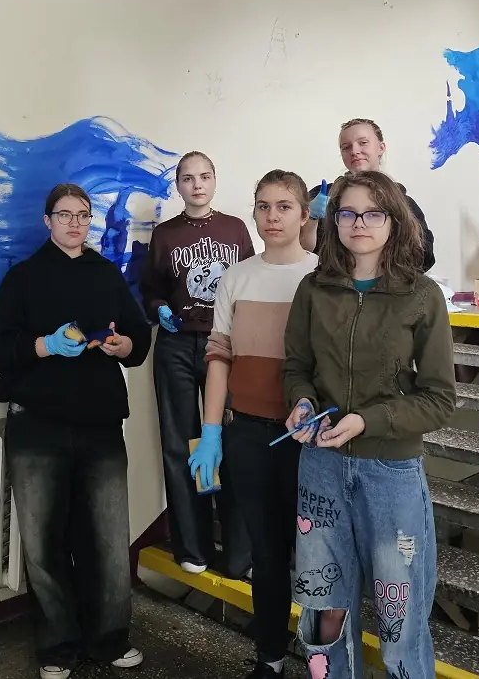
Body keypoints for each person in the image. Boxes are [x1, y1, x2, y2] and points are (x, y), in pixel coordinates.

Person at [283, 170, 456, 679]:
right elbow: (296, 368)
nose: (359, 223)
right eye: (348, 213)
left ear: (393, 222)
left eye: (373, 213)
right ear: (333, 221)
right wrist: (301, 403)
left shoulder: (422, 295)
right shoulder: (312, 289)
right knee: (324, 613)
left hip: (390, 474)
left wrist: (369, 420)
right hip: (321, 468)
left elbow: (440, 400)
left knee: (400, 625)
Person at [0, 183, 152, 679]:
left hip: (100, 425)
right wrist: (45, 346)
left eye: (83, 215)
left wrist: (123, 346)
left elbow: (138, 338)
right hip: (37, 425)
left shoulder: (106, 274)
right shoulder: (23, 277)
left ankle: (109, 639)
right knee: (43, 542)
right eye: (65, 215)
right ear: (47, 220)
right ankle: (57, 646)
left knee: (108, 539)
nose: (75, 223)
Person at [188, 170, 318, 678]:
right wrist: (212, 431)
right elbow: (219, 357)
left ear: (304, 215)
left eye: (284, 206)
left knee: (317, 557)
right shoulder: (236, 277)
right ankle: (269, 659)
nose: (272, 216)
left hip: (309, 439)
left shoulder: (321, 276)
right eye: (263, 206)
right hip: (247, 435)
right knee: (266, 557)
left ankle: (325, 660)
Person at [140, 152, 254, 577]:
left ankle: (240, 554)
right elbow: (150, 288)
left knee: (230, 441)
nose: (197, 185)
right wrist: (158, 308)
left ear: (215, 180)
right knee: (180, 442)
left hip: (223, 343)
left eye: (204, 176)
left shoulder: (236, 229)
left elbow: (250, 282)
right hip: (176, 345)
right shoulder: (165, 234)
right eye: (188, 178)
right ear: (178, 186)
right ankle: (193, 545)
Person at [301, 118, 435, 272]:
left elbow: (425, 257)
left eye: (363, 143)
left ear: (381, 147)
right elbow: (300, 251)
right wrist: (308, 218)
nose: (354, 151)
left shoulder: (405, 203)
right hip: (333, 284)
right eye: (346, 147)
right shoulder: (321, 197)